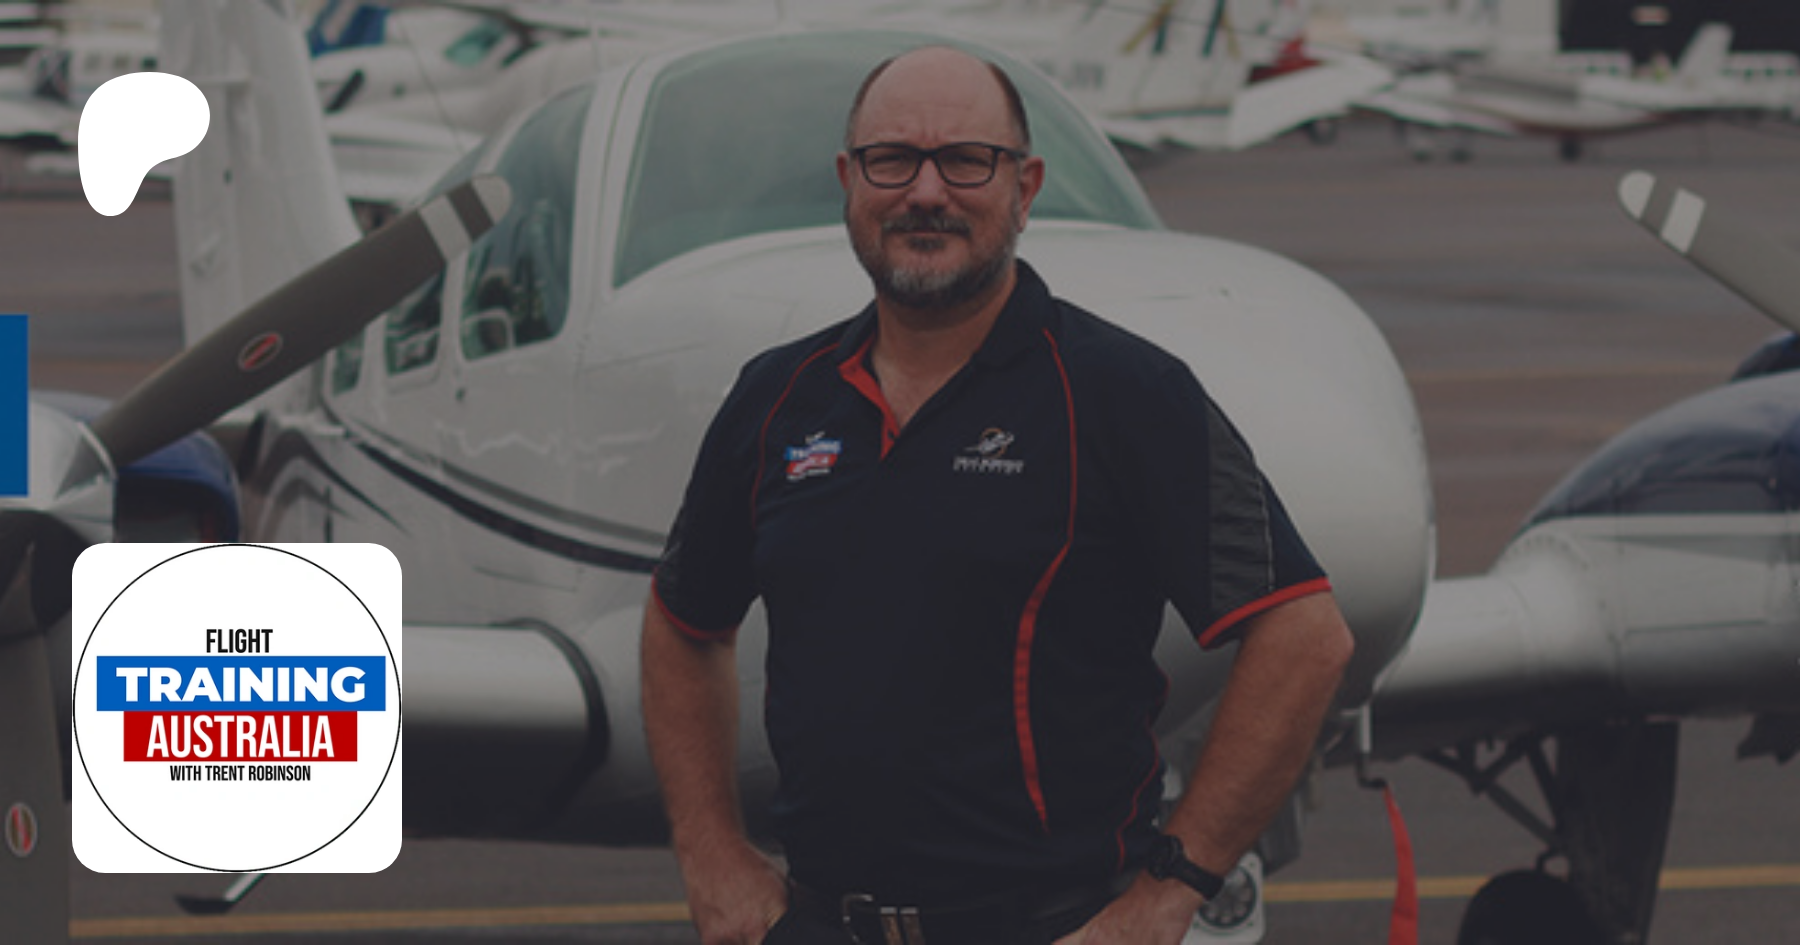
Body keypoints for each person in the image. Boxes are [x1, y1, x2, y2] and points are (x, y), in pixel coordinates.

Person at [641, 45, 1355, 945]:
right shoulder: (777, 397)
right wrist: (709, 849)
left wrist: (1171, 890)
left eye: (966, 161)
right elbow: (682, 621)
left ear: (1026, 187)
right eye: (892, 160)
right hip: (822, 923)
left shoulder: (1128, 395)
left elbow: (1302, 633)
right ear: (849, 182)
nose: (925, 191)